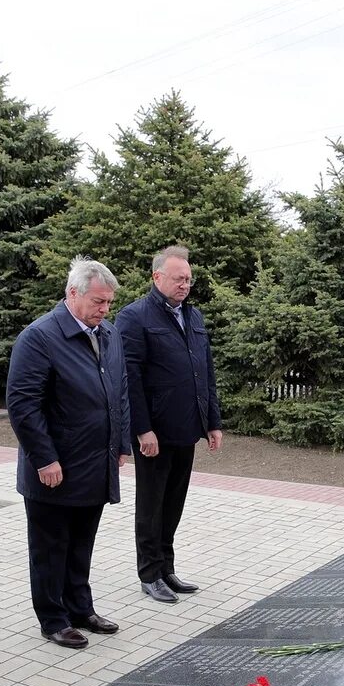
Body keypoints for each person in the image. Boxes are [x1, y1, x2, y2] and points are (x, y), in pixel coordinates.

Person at [6, 256, 131, 649]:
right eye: (98, 301)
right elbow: (23, 405)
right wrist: (44, 458)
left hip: (95, 461)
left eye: (109, 302)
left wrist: (121, 444)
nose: (104, 309)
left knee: (81, 542)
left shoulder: (108, 334)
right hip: (54, 468)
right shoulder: (40, 337)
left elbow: (119, 394)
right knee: (50, 546)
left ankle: (81, 607)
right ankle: (53, 618)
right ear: (72, 293)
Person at [115, 246, 223, 604]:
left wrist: (213, 422)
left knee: (174, 502)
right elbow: (130, 377)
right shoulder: (135, 317)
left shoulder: (193, 317)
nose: (185, 285)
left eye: (189, 279)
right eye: (178, 278)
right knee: (151, 504)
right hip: (155, 433)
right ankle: (149, 573)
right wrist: (142, 429)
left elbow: (205, 372)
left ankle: (167, 568)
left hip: (187, 428)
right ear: (157, 277)